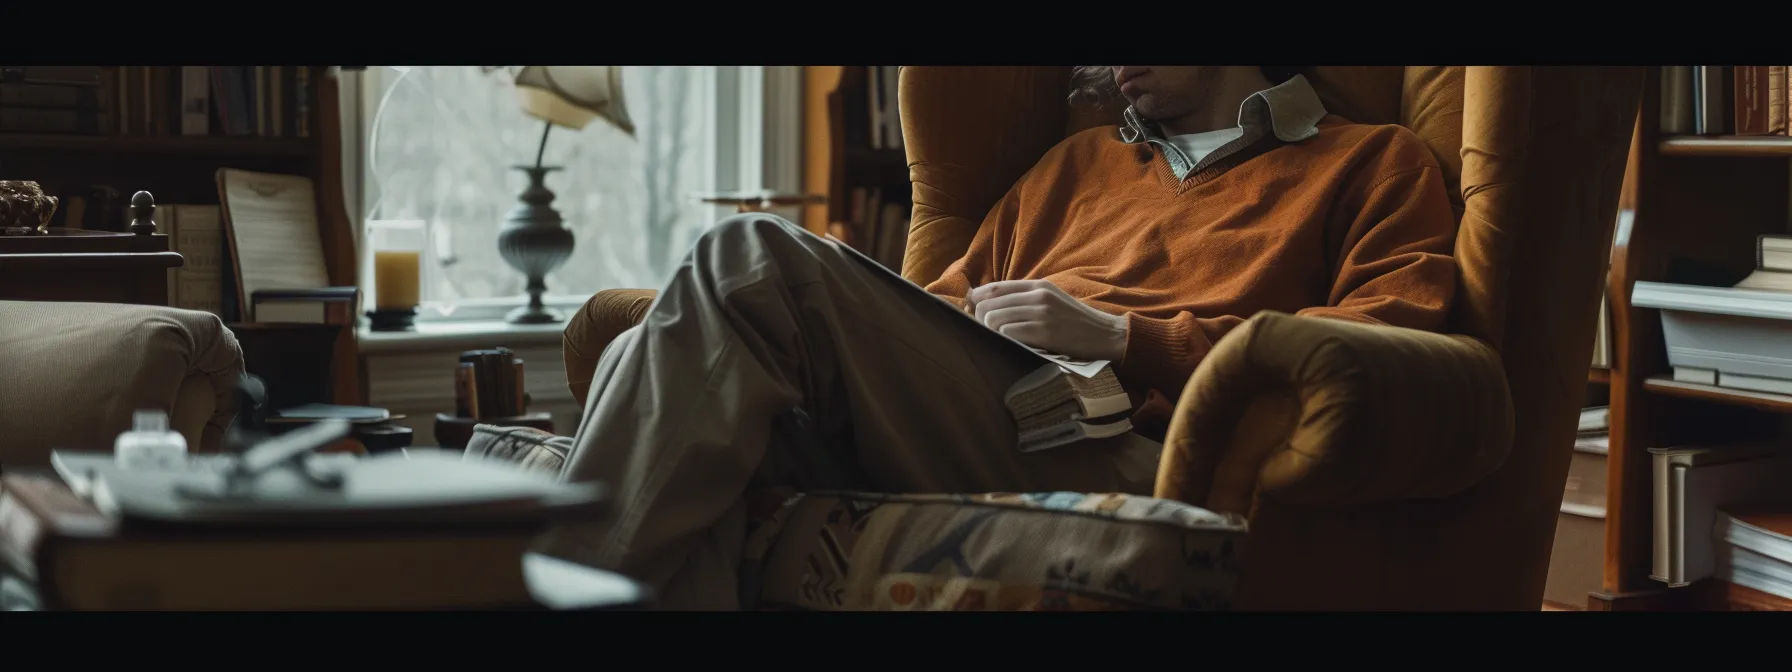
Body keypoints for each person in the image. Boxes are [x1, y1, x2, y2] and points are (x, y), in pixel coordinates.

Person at [541, 66, 1461, 609]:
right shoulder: (1073, 166)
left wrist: (1123, 335)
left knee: (749, 253)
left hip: (1128, 442)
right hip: (982, 410)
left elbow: (1378, 341)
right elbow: (940, 311)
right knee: (648, 358)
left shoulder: (1372, 159)